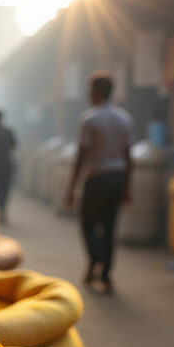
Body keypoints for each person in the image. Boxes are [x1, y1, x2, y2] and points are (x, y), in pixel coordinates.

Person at [66, 71, 133, 294]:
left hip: (96, 178)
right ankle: (106, 274)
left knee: (87, 223)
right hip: (117, 177)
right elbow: (128, 155)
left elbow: (81, 156)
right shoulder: (124, 118)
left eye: (89, 90)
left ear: (95, 92)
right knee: (109, 227)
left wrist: (71, 187)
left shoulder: (89, 119)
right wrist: (127, 186)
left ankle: (96, 257)